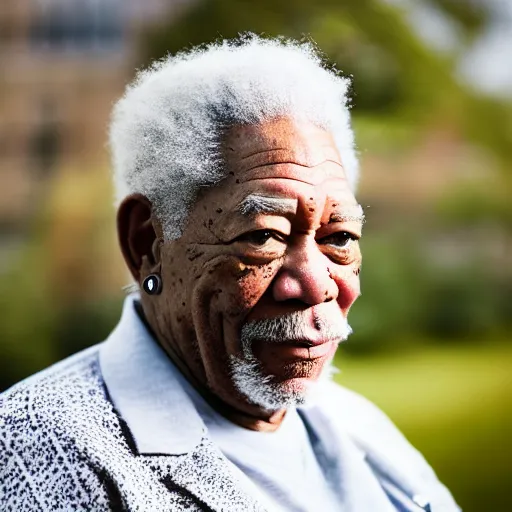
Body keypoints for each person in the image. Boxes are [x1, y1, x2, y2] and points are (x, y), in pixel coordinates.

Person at [0, 36, 460, 512]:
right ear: (147, 245)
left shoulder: (354, 423)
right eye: (264, 236)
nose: (315, 283)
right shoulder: (37, 451)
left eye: (339, 237)